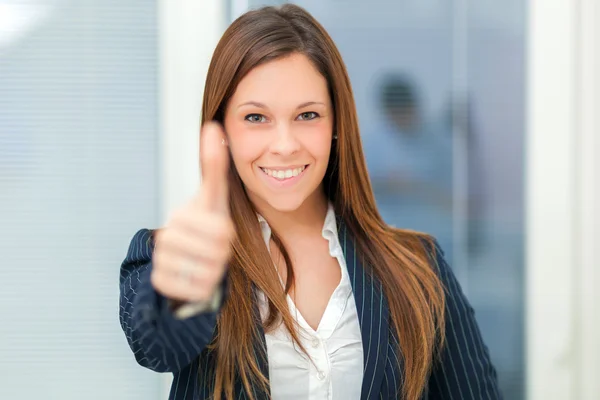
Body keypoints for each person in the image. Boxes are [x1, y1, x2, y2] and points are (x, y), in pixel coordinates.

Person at [119, 4, 501, 400]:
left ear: (336, 126)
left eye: (307, 115)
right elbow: (158, 347)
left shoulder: (418, 267)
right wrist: (186, 287)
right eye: (255, 118)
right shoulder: (164, 254)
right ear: (222, 131)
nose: (285, 145)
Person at [363, 74, 455, 261]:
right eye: (396, 115)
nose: (402, 120)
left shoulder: (439, 140)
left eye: (406, 113)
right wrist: (389, 184)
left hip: (435, 233)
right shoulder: (373, 142)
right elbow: (359, 188)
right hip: (389, 235)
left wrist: (419, 188)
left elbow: (454, 193)